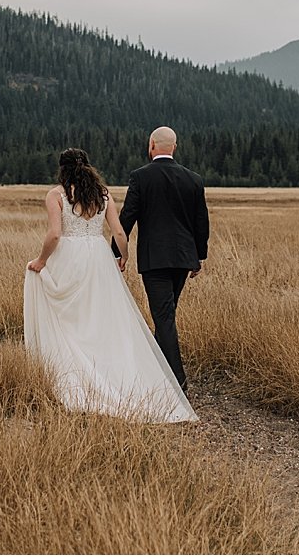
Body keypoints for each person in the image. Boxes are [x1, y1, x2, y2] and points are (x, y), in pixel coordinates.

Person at [23, 148, 196, 423]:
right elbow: (118, 231)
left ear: (62, 168)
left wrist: (41, 261)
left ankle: (76, 370)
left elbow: (55, 233)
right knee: (100, 316)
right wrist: (122, 256)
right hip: (98, 258)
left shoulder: (56, 195)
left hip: (68, 257)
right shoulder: (102, 194)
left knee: (70, 317)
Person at [118, 126, 210, 393]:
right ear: (175, 147)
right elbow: (201, 222)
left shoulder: (140, 177)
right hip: (182, 259)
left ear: (151, 145)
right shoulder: (193, 179)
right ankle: (157, 373)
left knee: (164, 318)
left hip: (155, 259)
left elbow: (127, 217)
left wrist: (117, 252)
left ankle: (178, 381)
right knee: (166, 315)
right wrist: (198, 256)